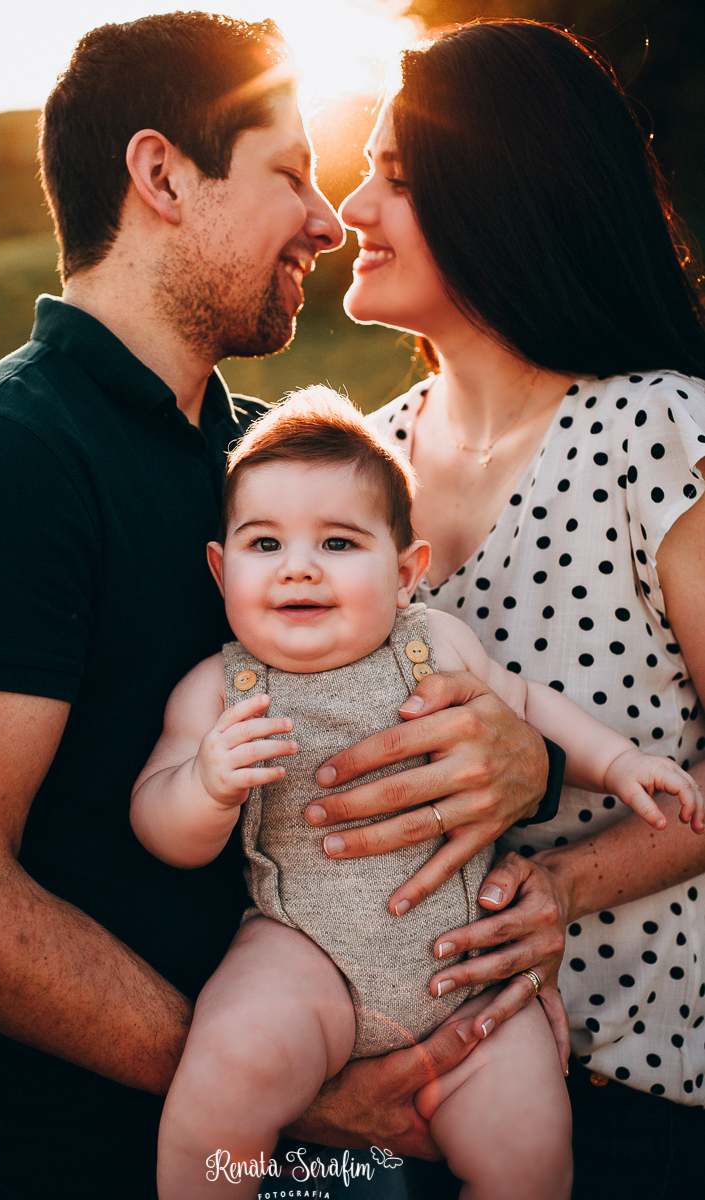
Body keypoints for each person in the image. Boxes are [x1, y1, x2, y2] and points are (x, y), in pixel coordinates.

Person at [0, 14, 559, 1200]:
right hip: (61, 1165)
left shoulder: (273, 468)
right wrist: (264, 1088)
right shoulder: (4, 461)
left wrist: (524, 764)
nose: (326, 220)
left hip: (326, 1146)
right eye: (290, 174)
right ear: (162, 176)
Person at [131, 387, 703, 1200]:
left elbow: (529, 707)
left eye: (337, 541)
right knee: (228, 1070)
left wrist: (615, 763)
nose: (298, 565)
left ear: (405, 574)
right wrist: (206, 787)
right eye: (264, 543)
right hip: (304, 957)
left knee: (530, 1149)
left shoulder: (433, 644)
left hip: (464, 967)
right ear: (222, 570)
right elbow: (160, 826)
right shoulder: (219, 692)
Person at [325, 18, 705, 1200]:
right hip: (413, 1100)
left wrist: (566, 887)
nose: (351, 208)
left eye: (396, 177)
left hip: (642, 1097)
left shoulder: (659, 434)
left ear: (506, 197)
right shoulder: (363, 468)